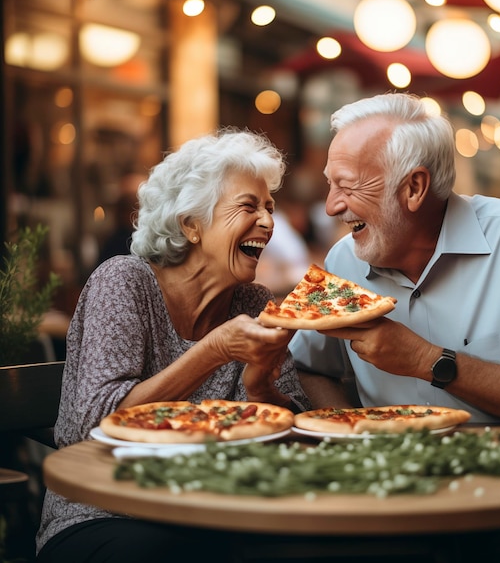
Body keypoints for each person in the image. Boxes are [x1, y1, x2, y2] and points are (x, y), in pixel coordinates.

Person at [287, 92, 500, 562]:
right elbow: (306, 367)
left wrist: (424, 359)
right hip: (389, 499)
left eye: (348, 186)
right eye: (329, 185)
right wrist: (352, 435)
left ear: (414, 188)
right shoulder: (341, 262)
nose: (332, 206)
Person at [36, 129, 311, 563]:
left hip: (213, 514)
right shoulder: (125, 281)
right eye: (248, 206)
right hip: (107, 513)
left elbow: (294, 437)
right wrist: (215, 350)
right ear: (191, 224)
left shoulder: (254, 303)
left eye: (269, 207)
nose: (268, 221)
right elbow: (92, 422)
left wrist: (261, 390)